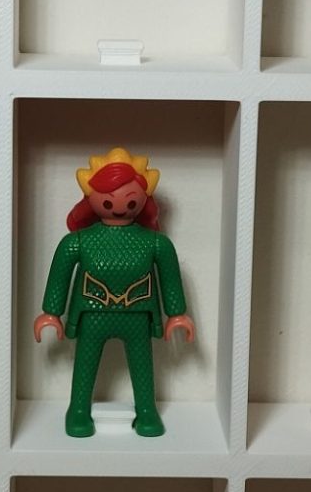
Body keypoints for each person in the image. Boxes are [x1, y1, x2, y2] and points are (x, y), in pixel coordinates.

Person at [33, 147, 195, 437]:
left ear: (144, 199)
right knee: (85, 364)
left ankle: (146, 410)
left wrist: (177, 313)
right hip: (93, 312)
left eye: (130, 199)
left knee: (142, 365)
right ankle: (78, 410)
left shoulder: (156, 243)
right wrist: (51, 311)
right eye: (108, 200)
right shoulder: (77, 242)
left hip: (137, 313)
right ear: (90, 198)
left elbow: (170, 278)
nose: (119, 206)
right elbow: (60, 274)